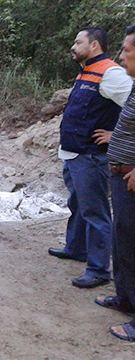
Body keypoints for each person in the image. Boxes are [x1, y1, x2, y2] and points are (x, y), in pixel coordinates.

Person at [48, 26, 132, 288]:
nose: (73, 47)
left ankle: (98, 270)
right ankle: (76, 248)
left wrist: (114, 135)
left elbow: (132, 104)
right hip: (75, 154)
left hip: (91, 157)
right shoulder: (87, 70)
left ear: (94, 45)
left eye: (78, 42)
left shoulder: (111, 73)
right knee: (77, 205)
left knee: (96, 213)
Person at [94, 24, 135, 341]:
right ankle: (126, 298)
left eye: (126, 50)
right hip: (121, 176)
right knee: (123, 241)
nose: (120, 56)